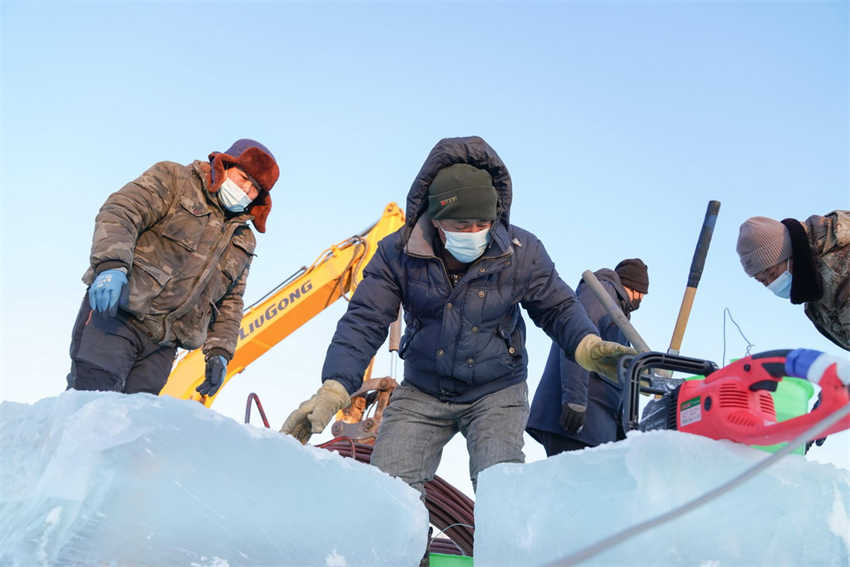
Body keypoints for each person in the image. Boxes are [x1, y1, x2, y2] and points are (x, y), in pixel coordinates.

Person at [281, 135, 635, 496]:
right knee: (386, 494)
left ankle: (502, 549)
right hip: (423, 388)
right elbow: (365, 319)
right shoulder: (396, 254)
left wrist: (588, 345)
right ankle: (402, 550)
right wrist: (336, 386)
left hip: (497, 389)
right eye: (460, 225)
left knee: (503, 497)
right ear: (435, 220)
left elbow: (558, 307)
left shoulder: (521, 251)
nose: (473, 233)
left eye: (482, 223)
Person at [67, 139, 280, 397]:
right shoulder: (174, 180)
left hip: (163, 346)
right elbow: (122, 211)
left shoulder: (242, 240)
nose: (246, 190)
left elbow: (231, 301)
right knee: (91, 408)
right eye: (243, 177)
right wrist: (111, 265)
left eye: (255, 188)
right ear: (224, 165)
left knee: (132, 427)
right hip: (117, 317)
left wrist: (220, 352)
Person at [526, 259, 649, 456]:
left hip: (596, 425)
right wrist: (575, 399)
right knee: (572, 483)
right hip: (581, 421)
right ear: (633, 287)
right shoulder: (600, 294)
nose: (641, 298)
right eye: (641, 292)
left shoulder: (617, 310)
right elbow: (579, 341)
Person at [736, 211, 849, 351]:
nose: (772, 283)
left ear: (791, 255)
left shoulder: (840, 270)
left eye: (772, 273)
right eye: (762, 281)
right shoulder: (813, 291)